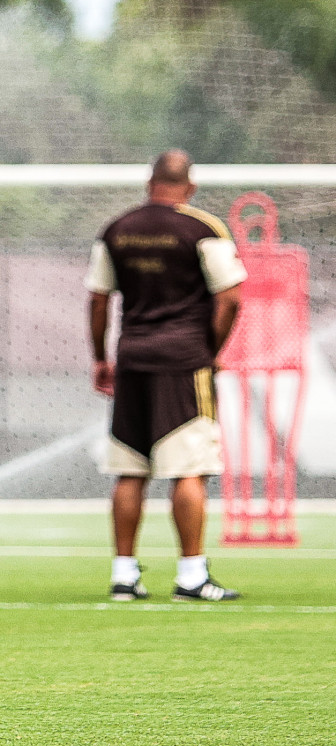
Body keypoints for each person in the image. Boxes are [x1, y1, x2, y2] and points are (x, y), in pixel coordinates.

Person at [86, 149, 246, 603]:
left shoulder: (117, 229)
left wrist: (100, 358)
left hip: (132, 359)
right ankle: (192, 576)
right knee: (189, 471)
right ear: (190, 187)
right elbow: (231, 298)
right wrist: (210, 352)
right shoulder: (203, 228)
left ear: (148, 182)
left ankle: (123, 575)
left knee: (129, 470)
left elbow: (98, 300)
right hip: (183, 363)